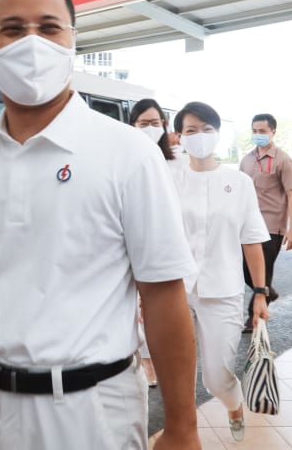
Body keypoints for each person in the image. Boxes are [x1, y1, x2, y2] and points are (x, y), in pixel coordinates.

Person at [0, 0, 201, 450]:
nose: (31, 43)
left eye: (49, 27)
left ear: (72, 41)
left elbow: (163, 292)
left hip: (90, 411)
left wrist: (183, 426)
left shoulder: (127, 153)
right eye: (13, 29)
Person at [171, 101, 270, 442]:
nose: (200, 136)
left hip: (223, 288)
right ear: (179, 137)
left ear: (218, 134)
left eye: (207, 129)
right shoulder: (168, 177)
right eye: (191, 130)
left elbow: (252, 239)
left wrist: (260, 292)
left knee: (215, 375)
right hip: (174, 288)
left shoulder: (238, 182)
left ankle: (233, 403)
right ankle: (182, 432)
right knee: (175, 369)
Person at [129, 97, 176, 388]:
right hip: (135, 248)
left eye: (154, 124)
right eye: (143, 124)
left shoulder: (177, 163)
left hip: (169, 249)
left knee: (160, 311)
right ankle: (144, 361)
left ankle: (159, 361)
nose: (149, 128)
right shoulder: (124, 161)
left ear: (164, 125)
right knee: (136, 310)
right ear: (132, 125)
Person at [238, 113, 292, 332]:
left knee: (262, 271)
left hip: (272, 227)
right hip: (246, 225)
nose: (258, 135)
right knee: (244, 270)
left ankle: (253, 318)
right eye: (255, 131)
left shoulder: (283, 160)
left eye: (262, 131)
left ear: (273, 132)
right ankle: (268, 292)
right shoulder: (246, 160)